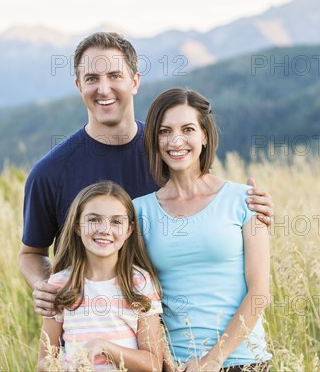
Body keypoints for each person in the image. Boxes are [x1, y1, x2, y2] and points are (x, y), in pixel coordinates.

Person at [19, 32, 275, 317]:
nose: (104, 89)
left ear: (135, 81)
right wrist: (44, 286)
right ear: (79, 85)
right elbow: (32, 253)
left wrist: (252, 209)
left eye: (115, 75)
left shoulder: (170, 152)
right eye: (92, 78)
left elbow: (212, 210)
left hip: (165, 338)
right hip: (86, 337)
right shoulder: (50, 172)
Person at [132, 88, 272, 372]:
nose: (176, 141)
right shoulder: (139, 211)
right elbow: (140, 298)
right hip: (177, 365)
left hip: (244, 360)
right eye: (164, 131)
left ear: (205, 135)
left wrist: (213, 360)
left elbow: (260, 292)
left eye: (188, 129)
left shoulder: (245, 200)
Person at [37, 181, 164, 372]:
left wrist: (104, 347)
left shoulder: (139, 282)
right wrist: (65, 367)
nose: (104, 229)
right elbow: (44, 362)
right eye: (94, 220)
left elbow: (153, 364)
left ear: (128, 230)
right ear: (78, 227)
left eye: (116, 221)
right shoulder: (60, 284)